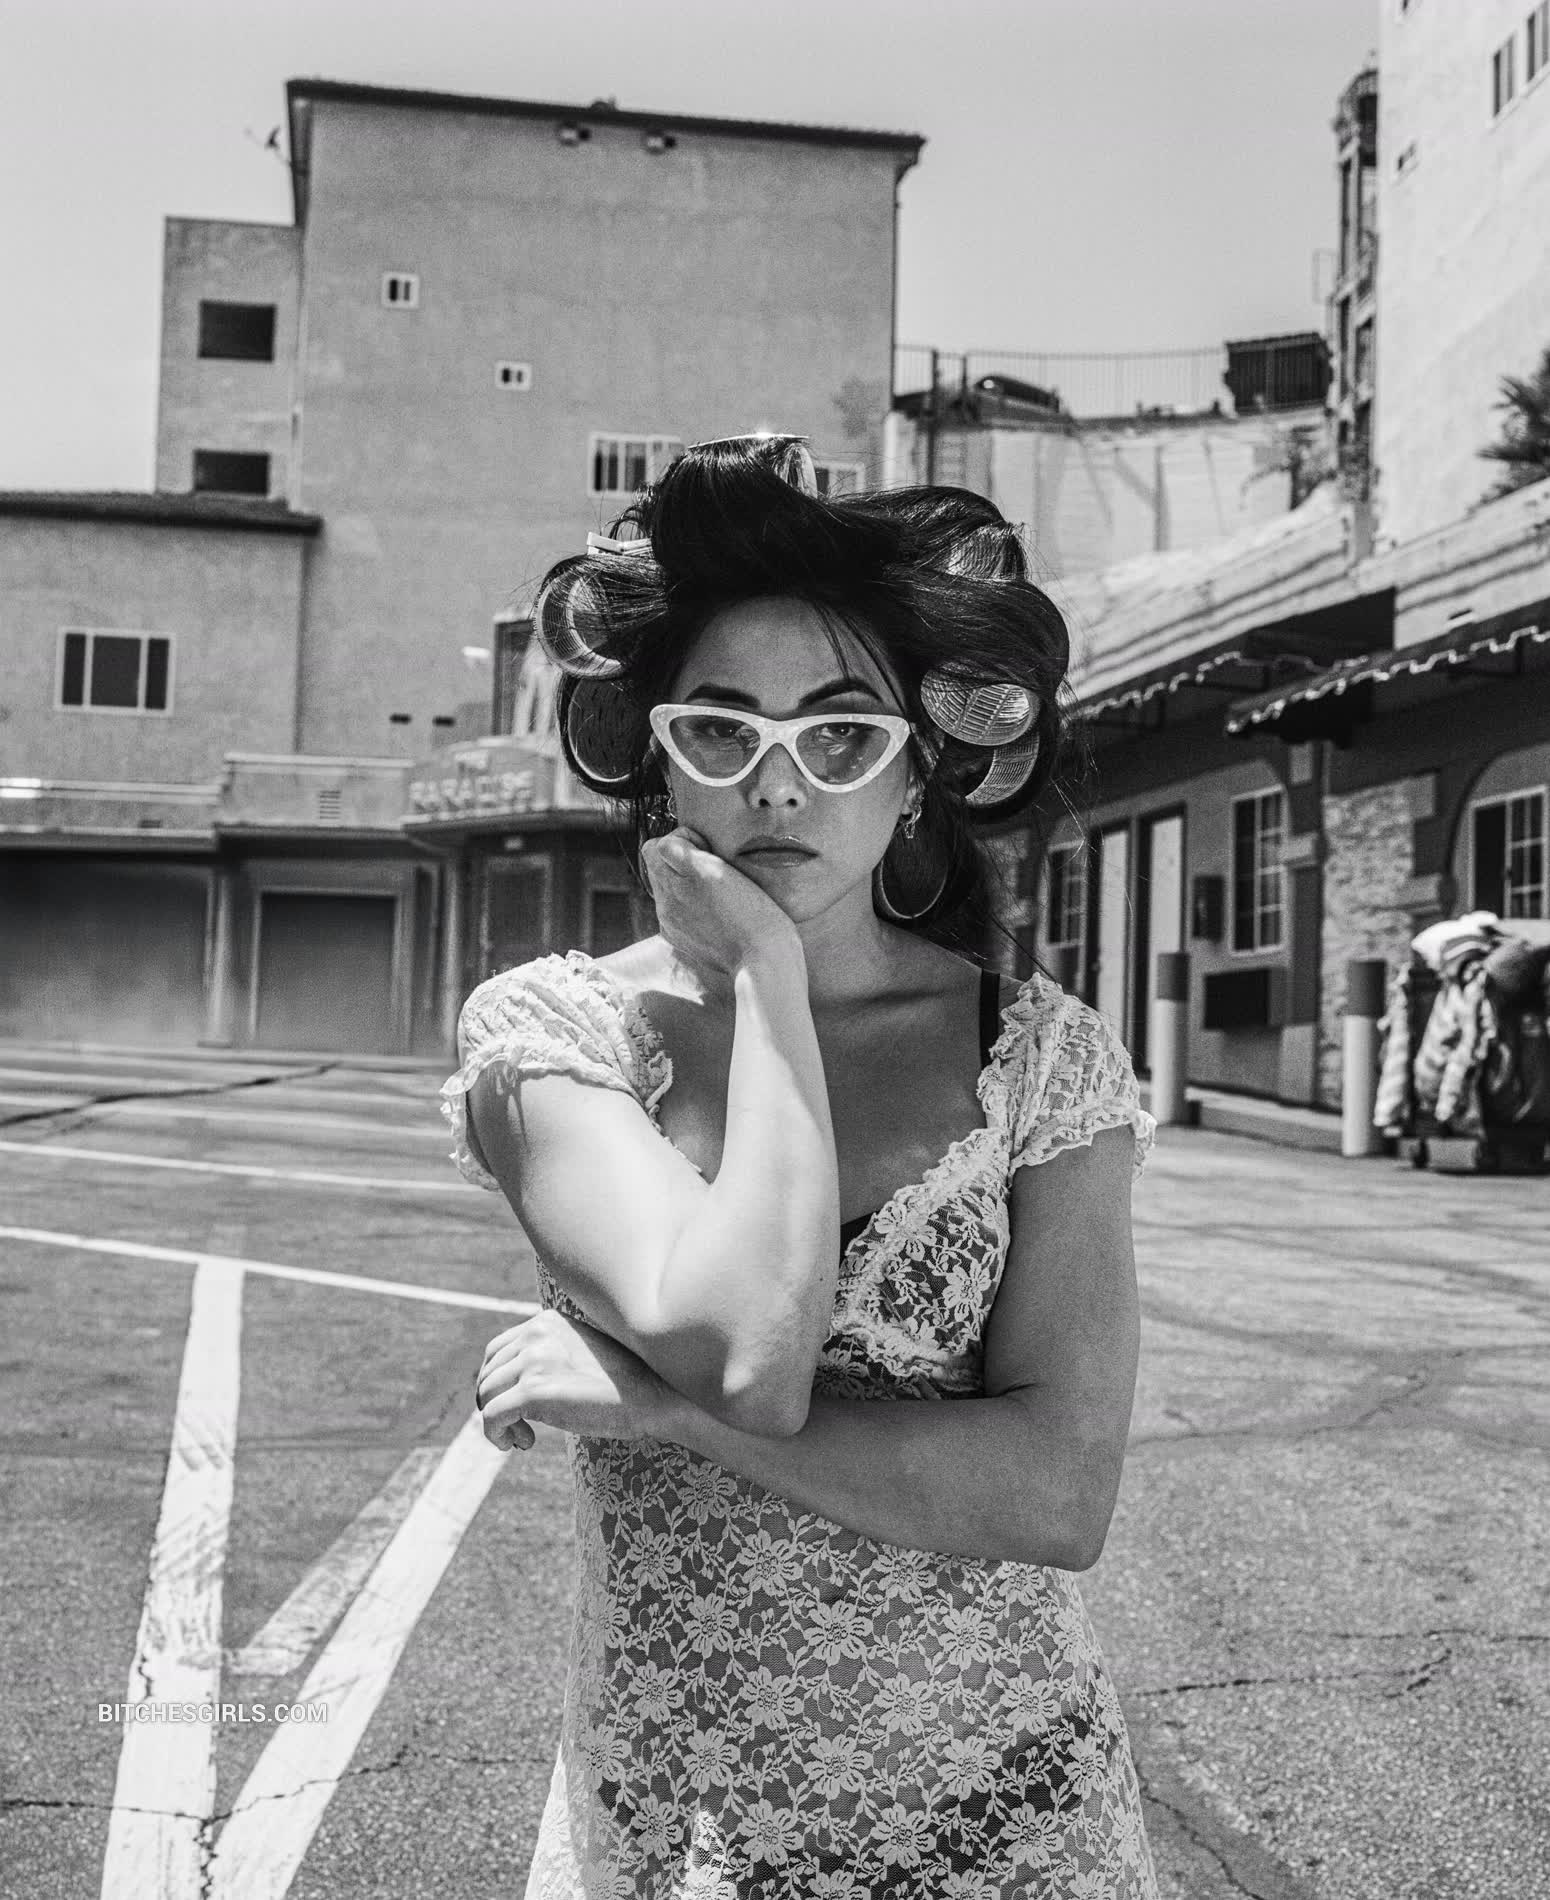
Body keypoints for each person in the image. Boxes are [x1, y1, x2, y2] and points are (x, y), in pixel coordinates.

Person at [446, 435, 1159, 1898]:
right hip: (688, 1826)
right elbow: (747, 1352)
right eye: (722, 733)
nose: (778, 786)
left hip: (1015, 1819)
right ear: (663, 763)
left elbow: (1053, 1495)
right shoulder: (556, 1037)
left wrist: (662, 1414)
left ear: (918, 781)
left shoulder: (1040, 1056)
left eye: (841, 740)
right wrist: (768, 976)